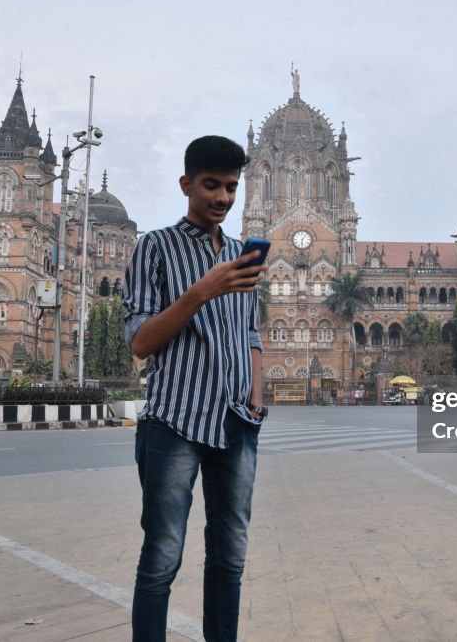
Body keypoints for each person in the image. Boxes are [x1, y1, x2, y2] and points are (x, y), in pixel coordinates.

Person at [122, 135, 267, 642]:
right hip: (175, 420)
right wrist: (203, 290)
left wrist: (255, 399)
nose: (222, 198)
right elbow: (141, 341)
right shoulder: (154, 247)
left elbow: (249, 332)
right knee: (162, 556)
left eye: (231, 187)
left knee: (231, 556)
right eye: (211, 185)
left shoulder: (241, 254)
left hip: (236, 422)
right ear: (186, 184)